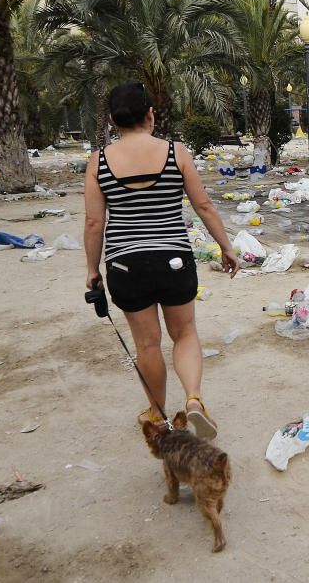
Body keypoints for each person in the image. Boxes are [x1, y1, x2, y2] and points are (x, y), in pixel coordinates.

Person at [84, 83, 239, 440]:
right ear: (151, 114)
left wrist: (93, 270)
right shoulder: (176, 152)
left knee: (147, 344)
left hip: (125, 264)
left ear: (112, 120)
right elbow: (203, 206)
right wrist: (226, 247)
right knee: (184, 333)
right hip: (174, 259)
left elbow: (95, 223)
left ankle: (156, 412)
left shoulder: (99, 161)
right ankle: (195, 401)